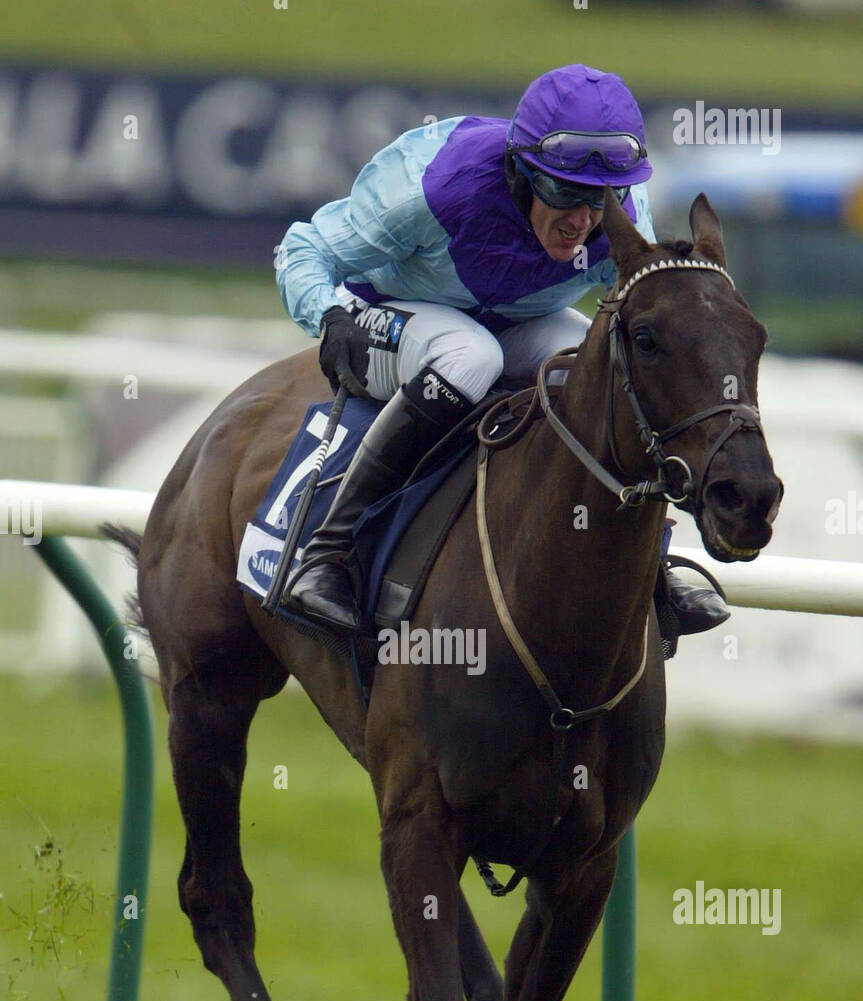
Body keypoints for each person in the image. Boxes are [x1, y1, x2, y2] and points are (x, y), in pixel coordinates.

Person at [275, 63, 729, 637]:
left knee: (600, 359)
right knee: (472, 356)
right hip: (390, 314)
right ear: (520, 169)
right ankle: (326, 555)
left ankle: (652, 565)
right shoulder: (434, 186)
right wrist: (329, 313)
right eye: (564, 192)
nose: (582, 221)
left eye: (600, 199)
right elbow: (303, 248)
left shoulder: (621, 213)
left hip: (510, 322)